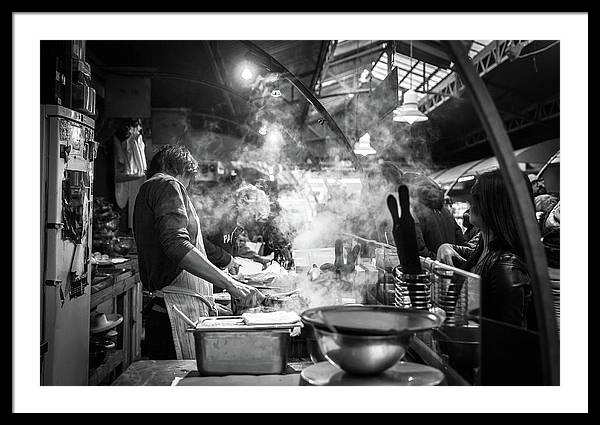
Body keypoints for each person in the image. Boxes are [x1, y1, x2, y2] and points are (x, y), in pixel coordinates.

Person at [133, 145, 264, 360]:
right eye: (189, 178)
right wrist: (231, 284)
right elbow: (176, 244)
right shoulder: (167, 184)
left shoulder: (150, 188)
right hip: (173, 314)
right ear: (178, 168)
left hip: (171, 311)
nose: (188, 186)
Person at [436, 169, 541, 385]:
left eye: (476, 197)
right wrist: (446, 246)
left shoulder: (506, 267)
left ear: (494, 205)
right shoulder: (483, 247)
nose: (468, 202)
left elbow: (508, 348)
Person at [204, 184, 274, 271]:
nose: (254, 220)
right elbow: (201, 242)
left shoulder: (237, 226)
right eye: (254, 214)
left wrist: (257, 258)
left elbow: (237, 248)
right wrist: (226, 259)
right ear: (244, 205)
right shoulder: (221, 216)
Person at [402, 172, 466, 259]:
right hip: (453, 268)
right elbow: (460, 242)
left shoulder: (415, 211)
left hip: (432, 270)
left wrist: (437, 262)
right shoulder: (446, 211)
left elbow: (418, 250)